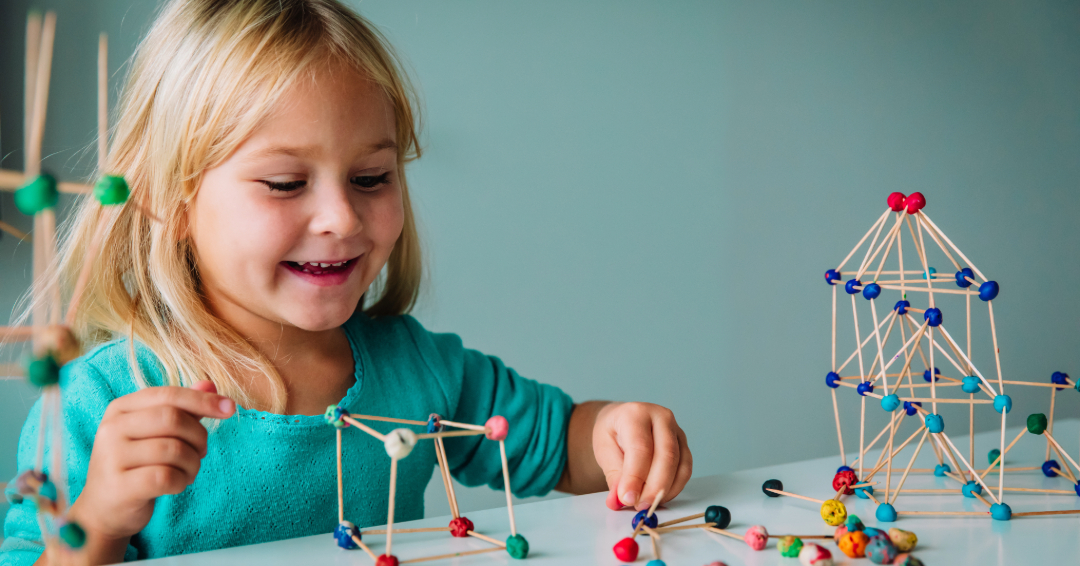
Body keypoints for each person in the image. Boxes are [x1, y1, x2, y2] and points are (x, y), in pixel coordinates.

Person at [1, 1, 692, 564]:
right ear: (167, 201)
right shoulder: (100, 401)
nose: (340, 217)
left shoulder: (418, 368)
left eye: (371, 179)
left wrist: (615, 432)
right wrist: (94, 524)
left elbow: (558, 446)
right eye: (284, 183)